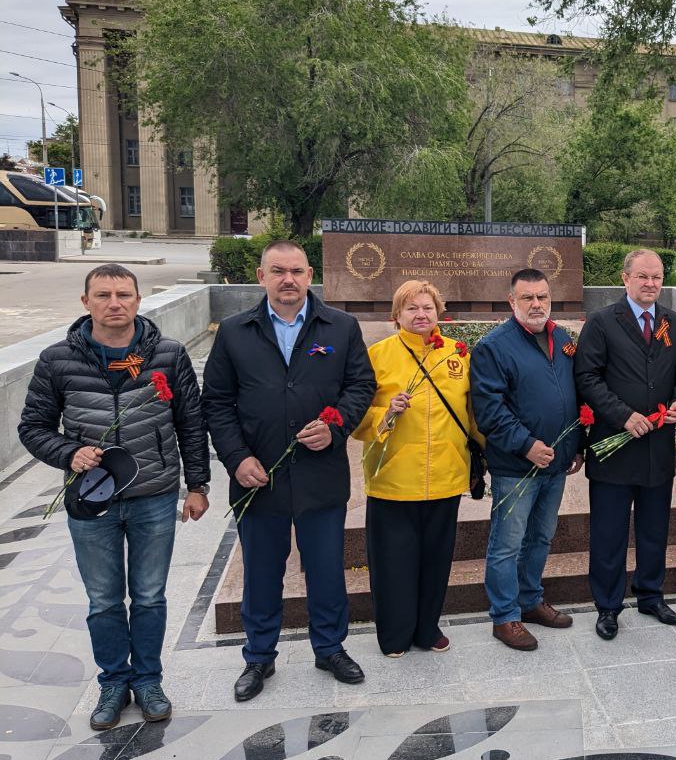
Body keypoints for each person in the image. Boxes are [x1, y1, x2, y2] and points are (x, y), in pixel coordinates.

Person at [19, 264, 210, 730]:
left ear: (139, 300)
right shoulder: (57, 359)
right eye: (103, 294)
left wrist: (198, 485)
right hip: (92, 500)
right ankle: (112, 681)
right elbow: (32, 427)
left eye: (123, 293)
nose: (114, 303)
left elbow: (190, 422)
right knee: (103, 599)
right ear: (86, 303)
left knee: (148, 596)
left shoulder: (167, 354)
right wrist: (69, 452)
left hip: (154, 495)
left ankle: (147, 679)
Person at [203, 240, 375, 701]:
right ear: (261, 277)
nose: (288, 280)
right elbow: (216, 403)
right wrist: (237, 458)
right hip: (258, 478)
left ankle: (330, 647)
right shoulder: (236, 331)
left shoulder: (340, 326)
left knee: (325, 569)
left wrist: (336, 428)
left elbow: (361, 386)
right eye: (277, 271)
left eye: (296, 271)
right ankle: (259, 656)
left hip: (320, 473)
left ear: (310, 274)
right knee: (262, 571)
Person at [352, 280, 483, 657]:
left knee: (436, 560)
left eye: (427, 307)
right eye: (412, 309)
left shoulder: (458, 355)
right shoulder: (379, 355)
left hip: (445, 476)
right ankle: (394, 635)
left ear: (439, 312)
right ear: (397, 316)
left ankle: (428, 628)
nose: (421, 314)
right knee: (393, 563)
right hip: (394, 479)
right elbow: (357, 416)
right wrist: (385, 413)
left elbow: (473, 415)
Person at [574, 248, 676, 640]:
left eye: (657, 277)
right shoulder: (602, 322)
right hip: (615, 446)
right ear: (625, 279)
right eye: (643, 276)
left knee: (654, 528)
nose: (650, 284)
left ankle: (650, 594)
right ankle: (608, 606)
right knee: (609, 533)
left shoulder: (673, 323)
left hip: (657, 448)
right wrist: (623, 415)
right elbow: (588, 378)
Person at [470, 268, 582, 651]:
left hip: (556, 463)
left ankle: (530, 601)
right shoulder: (493, 346)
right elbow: (489, 410)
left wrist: (576, 445)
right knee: (508, 543)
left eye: (543, 297)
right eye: (528, 298)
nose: (537, 304)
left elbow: (574, 395)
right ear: (511, 301)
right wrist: (525, 444)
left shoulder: (563, 338)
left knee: (541, 537)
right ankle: (505, 616)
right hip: (516, 467)